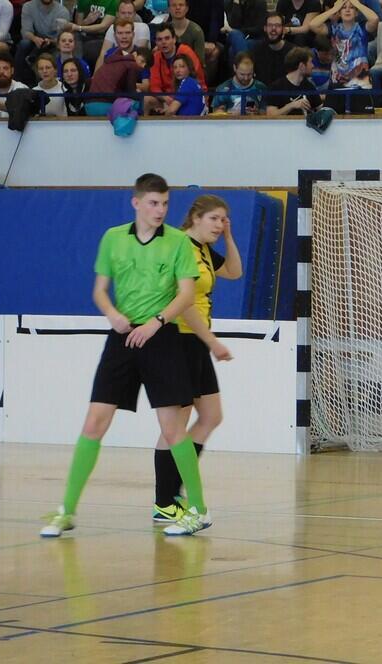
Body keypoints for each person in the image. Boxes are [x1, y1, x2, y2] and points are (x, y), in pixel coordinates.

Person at [41, 173, 211, 539]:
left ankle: (197, 510)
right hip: (121, 338)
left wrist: (157, 321)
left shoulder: (179, 242)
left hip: (161, 337)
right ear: (136, 203)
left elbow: (185, 295)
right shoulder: (113, 238)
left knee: (172, 429)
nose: (160, 210)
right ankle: (66, 511)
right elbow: (100, 290)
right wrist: (112, 314)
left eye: (165, 204)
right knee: (94, 423)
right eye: (153, 203)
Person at [152, 195, 242, 523]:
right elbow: (183, 303)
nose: (219, 225)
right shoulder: (182, 247)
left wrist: (229, 237)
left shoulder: (202, 249)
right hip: (179, 340)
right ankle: (165, 500)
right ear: (196, 217)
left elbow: (234, 271)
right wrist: (212, 341)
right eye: (215, 219)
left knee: (211, 416)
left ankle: (173, 487)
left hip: (196, 343)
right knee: (175, 424)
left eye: (224, 220)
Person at [87, 20, 143, 115]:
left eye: (127, 33)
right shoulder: (109, 54)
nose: (124, 37)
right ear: (114, 36)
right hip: (112, 101)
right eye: (120, 33)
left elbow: (147, 85)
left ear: (133, 34)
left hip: (120, 98)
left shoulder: (142, 55)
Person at [17, 0, 72, 86]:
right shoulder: (28, 7)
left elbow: (63, 38)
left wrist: (51, 41)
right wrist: (35, 39)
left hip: (54, 44)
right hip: (34, 41)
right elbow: (25, 32)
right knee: (24, 44)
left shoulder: (63, 12)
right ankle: (18, 83)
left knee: (60, 52)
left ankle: (55, 86)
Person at [266, 47, 324, 115]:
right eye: (310, 62)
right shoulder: (276, 87)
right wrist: (291, 105)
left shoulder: (309, 86)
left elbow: (321, 110)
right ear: (302, 66)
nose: (313, 66)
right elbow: (271, 115)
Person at [96, 0, 152, 69]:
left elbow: (138, 56)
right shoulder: (112, 28)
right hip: (116, 68)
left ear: (134, 14)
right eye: (123, 13)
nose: (126, 16)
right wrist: (95, 77)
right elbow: (102, 55)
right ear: (117, 14)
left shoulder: (143, 27)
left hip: (137, 69)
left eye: (130, 13)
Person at [252, 13, 295, 85]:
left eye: (277, 25)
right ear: (265, 28)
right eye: (270, 25)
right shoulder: (256, 50)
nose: (273, 29)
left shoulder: (293, 52)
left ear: (283, 29)